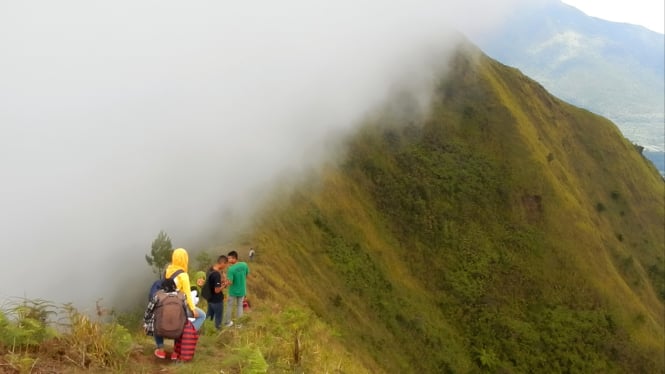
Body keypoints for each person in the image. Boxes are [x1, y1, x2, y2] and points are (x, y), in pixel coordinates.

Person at [154, 248, 206, 360]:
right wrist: (193, 309)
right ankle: (178, 348)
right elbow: (187, 294)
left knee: (157, 320)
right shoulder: (184, 275)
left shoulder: (167, 270)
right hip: (178, 306)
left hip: (164, 304)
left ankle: (161, 350)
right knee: (200, 316)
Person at [223, 250, 250, 328]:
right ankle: (239, 324)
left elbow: (230, 282)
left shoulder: (231, 269)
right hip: (242, 290)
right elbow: (247, 274)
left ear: (234, 258)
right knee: (240, 306)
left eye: (229, 258)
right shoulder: (244, 265)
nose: (228, 260)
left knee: (229, 306)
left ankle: (227, 322)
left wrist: (225, 279)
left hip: (233, 291)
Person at [205, 255, 229, 330]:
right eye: (226, 264)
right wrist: (225, 285)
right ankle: (218, 333)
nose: (226, 266)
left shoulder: (210, 269)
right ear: (222, 263)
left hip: (210, 299)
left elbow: (212, 282)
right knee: (218, 319)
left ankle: (206, 331)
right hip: (217, 300)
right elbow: (217, 290)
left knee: (209, 317)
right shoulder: (216, 274)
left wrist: (223, 278)